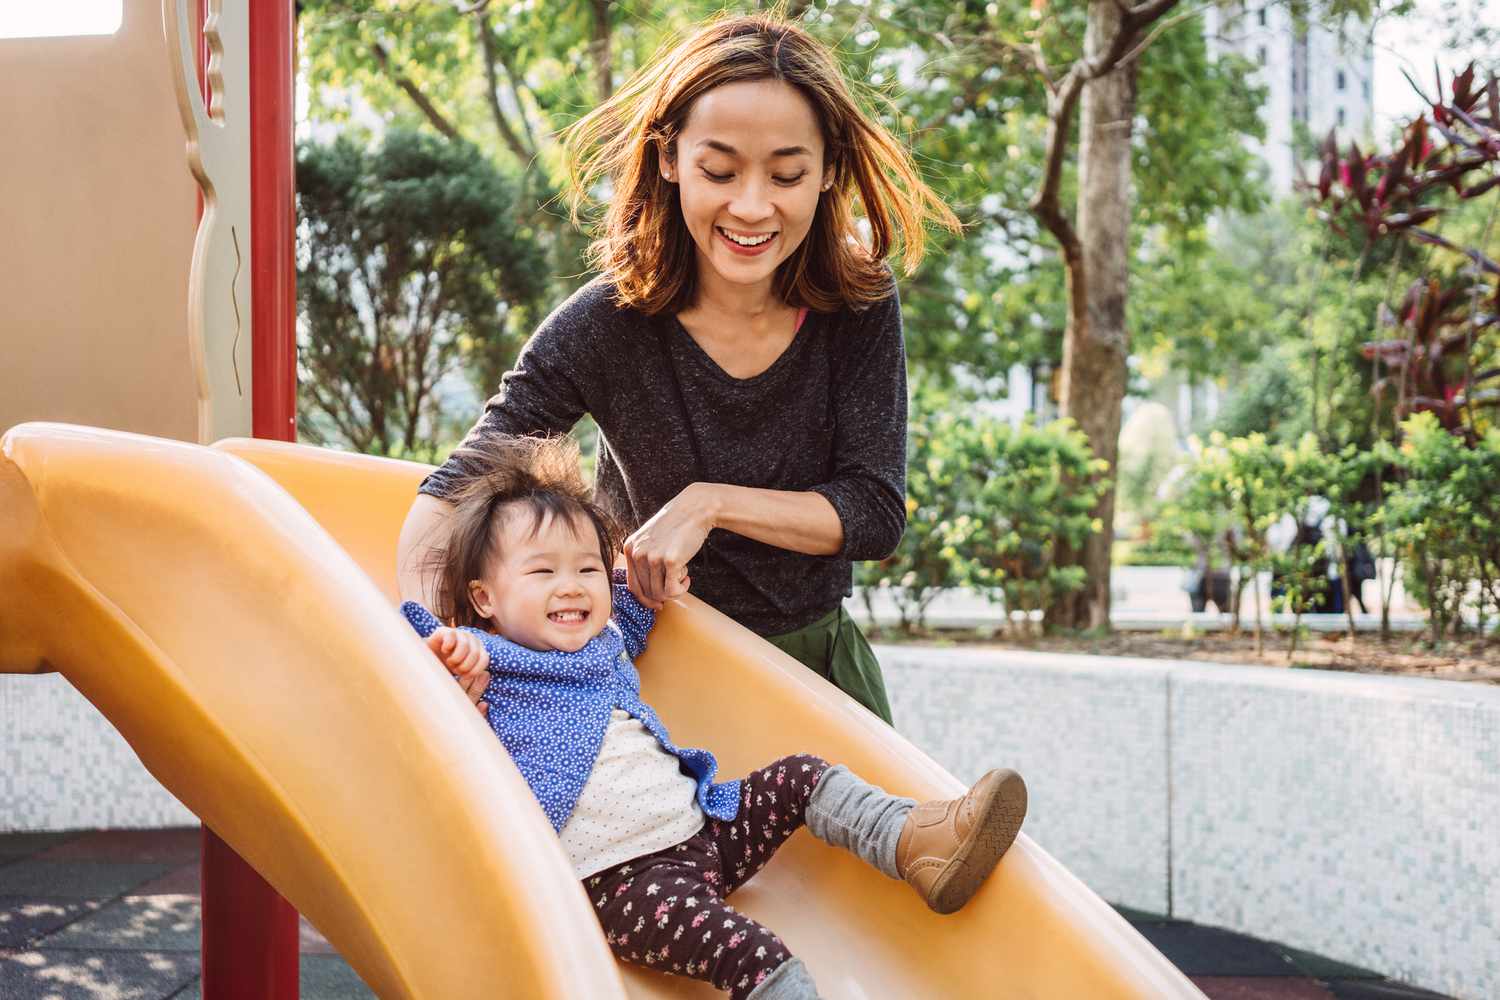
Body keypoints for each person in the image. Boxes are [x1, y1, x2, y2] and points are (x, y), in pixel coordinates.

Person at [395, 13, 960, 726]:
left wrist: (709, 502)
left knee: (880, 831)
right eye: (718, 171)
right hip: (650, 681)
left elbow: (873, 512)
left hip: (814, 673)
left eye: (787, 174)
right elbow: (459, 484)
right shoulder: (607, 321)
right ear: (669, 159)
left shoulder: (859, 302)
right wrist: (427, 643)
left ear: (827, 174)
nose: (752, 206)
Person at [404, 434, 1028, 1000]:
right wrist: (453, 659)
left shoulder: (608, 637)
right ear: (484, 598)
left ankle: (916, 843)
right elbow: (418, 670)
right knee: (758, 956)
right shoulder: (489, 659)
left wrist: (657, 575)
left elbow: (639, 590)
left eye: (586, 568)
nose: (571, 587)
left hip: (704, 833)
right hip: (622, 886)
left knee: (801, 776)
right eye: (542, 572)